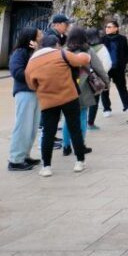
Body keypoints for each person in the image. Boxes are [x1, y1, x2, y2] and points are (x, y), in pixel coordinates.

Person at [25, 31, 91, 177]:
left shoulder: (32, 61)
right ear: (56, 44)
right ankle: (79, 161)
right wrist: (87, 56)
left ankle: (46, 166)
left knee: (48, 133)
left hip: (48, 101)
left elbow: (31, 84)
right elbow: (81, 61)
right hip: (69, 97)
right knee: (75, 129)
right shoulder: (61, 54)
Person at [62, 27, 110, 156]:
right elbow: (99, 68)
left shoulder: (64, 51)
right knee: (82, 117)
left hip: (67, 88)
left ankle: (66, 146)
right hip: (83, 88)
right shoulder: (88, 51)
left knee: (67, 118)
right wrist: (106, 83)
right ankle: (80, 145)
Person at [7, 28, 43, 171]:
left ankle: (25, 155)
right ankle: (15, 160)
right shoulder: (19, 53)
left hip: (36, 92)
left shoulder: (36, 51)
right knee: (23, 126)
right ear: (31, 37)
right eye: (39, 34)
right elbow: (17, 72)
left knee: (32, 128)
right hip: (25, 92)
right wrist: (35, 76)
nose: (42, 36)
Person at [97, 20, 128, 120]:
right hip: (105, 68)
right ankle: (106, 109)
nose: (107, 29)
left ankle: (127, 106)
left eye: (109, 27)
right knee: (104, 89)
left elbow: (127, 53)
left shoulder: (122, 39)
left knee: (122, 88)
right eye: (106, 27)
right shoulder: (102, 39)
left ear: (116, 28)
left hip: (118, 68)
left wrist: (123, 64)